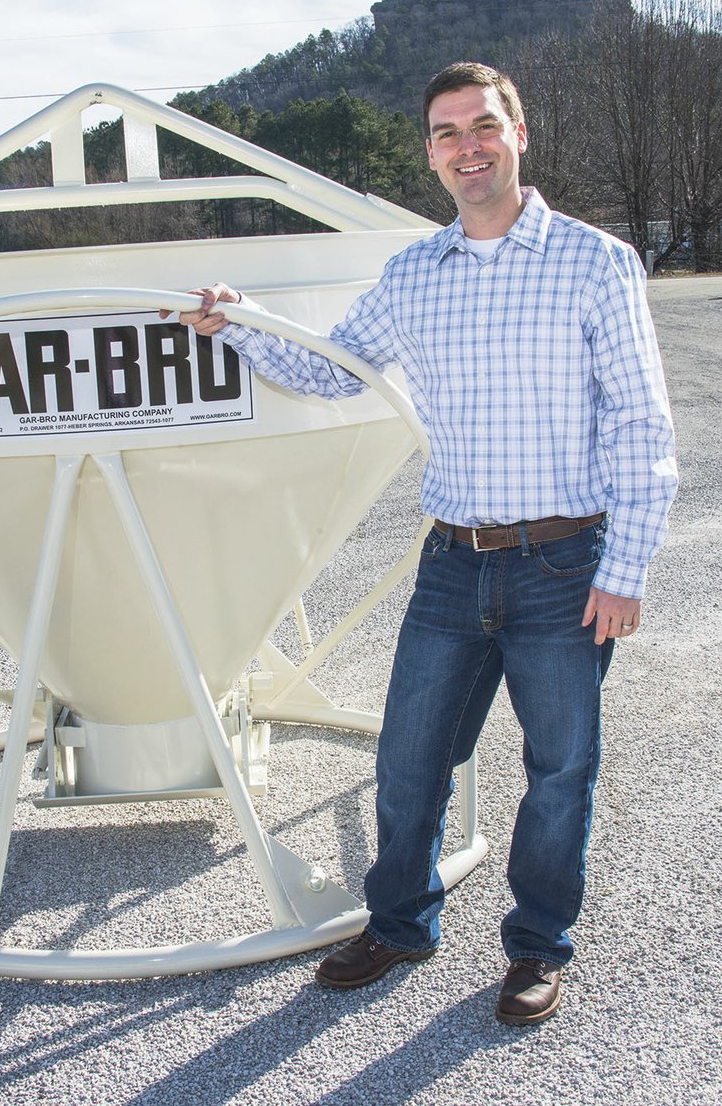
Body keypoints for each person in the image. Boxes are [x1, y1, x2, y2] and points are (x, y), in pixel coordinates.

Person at [161, 62, 678, 1024]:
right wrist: (232, 323)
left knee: (559, 769)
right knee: (406, 760)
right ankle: (400, 924)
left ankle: (536, 950)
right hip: (452, 562)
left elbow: (642, 427)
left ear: (518, 135)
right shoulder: (413, 274)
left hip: (565, 564)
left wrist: (626, 567)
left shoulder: (594, 260)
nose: (466, 146)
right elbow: (332, 374)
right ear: (430, 155)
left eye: (483, 126)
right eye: (446, 133)